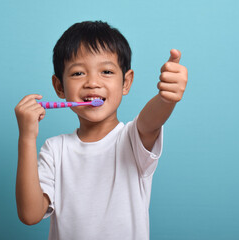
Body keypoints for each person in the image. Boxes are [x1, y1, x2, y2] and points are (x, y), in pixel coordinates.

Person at [14, 21, 188, 240]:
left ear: (126, 82)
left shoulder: (133, 139)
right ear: (59, 87)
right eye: (78, 73)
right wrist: (27, 137)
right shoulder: (55, 149)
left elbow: (151, 119)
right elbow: (30, 215)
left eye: (106, 71)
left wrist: (166, 98)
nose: (92, 83)